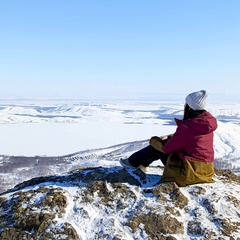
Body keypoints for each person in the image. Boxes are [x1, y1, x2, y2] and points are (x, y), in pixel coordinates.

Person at [120, 90, 218, 186]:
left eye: (186, 103)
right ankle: (143, 165)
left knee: (159, 146)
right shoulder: (204, 123)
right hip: (205, 172)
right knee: (166, 142)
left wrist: (154, 140)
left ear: (190, 107)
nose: (184, 105)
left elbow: (167, 149)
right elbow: (191, 138)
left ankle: (132, 162)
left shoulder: (189, 126)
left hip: (188, 173)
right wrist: (170, 137)